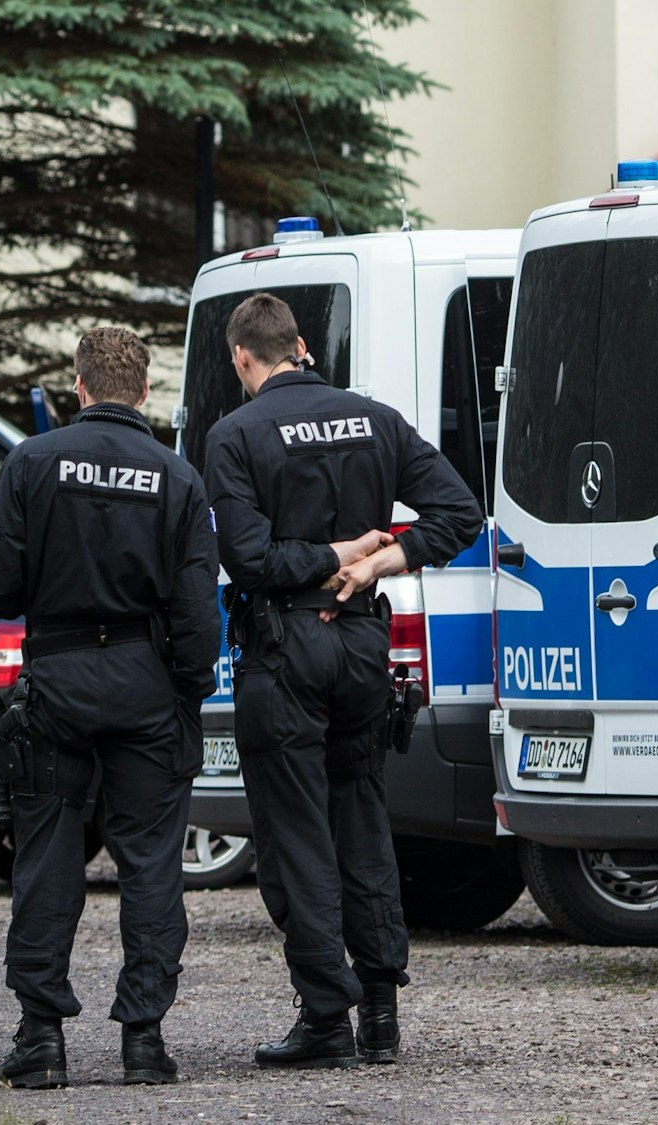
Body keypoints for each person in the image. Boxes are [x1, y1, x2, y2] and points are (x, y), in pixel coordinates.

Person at [202, 293, 482, 1068]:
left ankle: (327, 1010)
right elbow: (461, 513)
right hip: (362, 647)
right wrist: (378, 561)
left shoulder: (234, 435)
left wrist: (330, 558)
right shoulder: (375, 417)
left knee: (295, 831)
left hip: (285, 644)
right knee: (361, 818)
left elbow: (249, 559)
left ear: (242, 360)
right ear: (303, 348)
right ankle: (382, 1014)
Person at [0, 327, 219, 1089]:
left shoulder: (31, 463)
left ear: (78, 387)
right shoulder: (176, 476)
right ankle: (144, 1038)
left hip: (58, 678)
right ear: (143, 393)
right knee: (149, 863)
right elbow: (201, 616)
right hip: (146, 681)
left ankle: (41, 1038)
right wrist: (185, 686)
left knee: (45, 858)